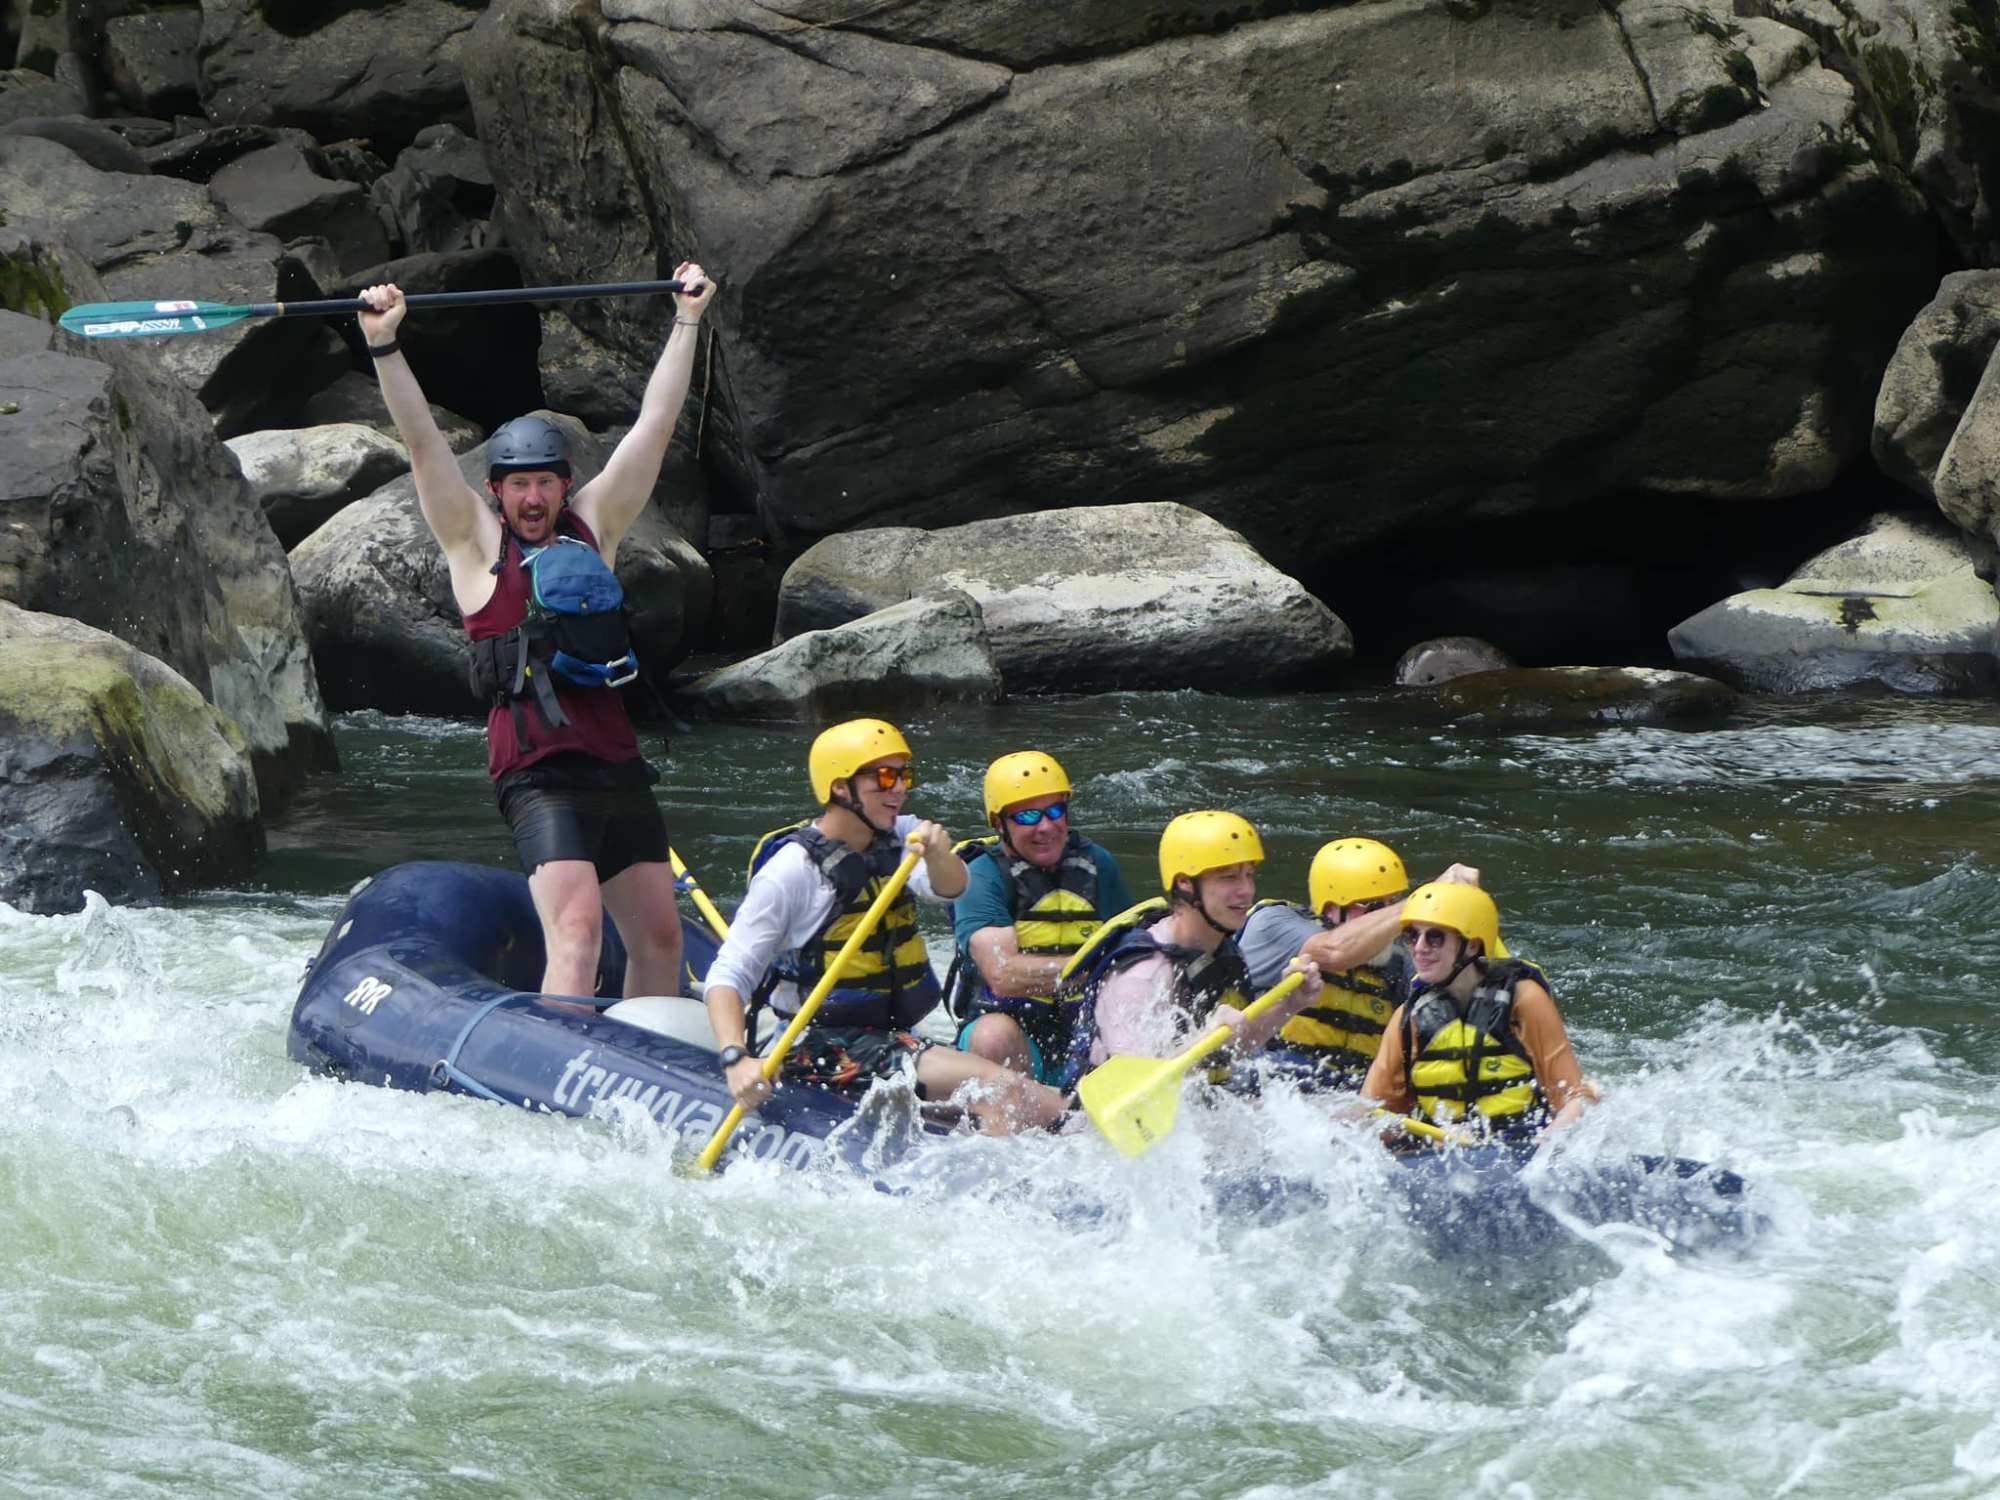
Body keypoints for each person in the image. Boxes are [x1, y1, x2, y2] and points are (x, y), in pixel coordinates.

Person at [355, 266, 715, 1001]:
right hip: (537, 774)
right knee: (578, 930)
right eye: (518, 484)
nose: (533, 496)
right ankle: (565, 1073)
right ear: (497, 491)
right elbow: (424, 447)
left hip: (617, 764)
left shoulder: (595, 526)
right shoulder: (474, 545)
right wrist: (385, 347)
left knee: (661, 935)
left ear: (563, 483)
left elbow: (655, 425)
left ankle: (651, 1062)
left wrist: (687, 321)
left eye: (546, 481)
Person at [702, 719, 1073, 1135]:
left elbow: (950, 887)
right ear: (841, 787)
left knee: (1040, 1105)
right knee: (1002, 1091)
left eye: (904, 774)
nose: (899, 787)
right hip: (819, 1048)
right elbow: (729, 972)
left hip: (890, 1039)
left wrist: (938, 855)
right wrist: (736, 1058)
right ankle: (1002, 1194)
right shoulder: (791, 872)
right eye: (884, 776)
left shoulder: (902, 836)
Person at [1058, 811, 1323, 1080]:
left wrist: (1290, 1004)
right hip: (1100, 1117)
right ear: (1185, 883)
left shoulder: (1221, 950)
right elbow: (1130, 1088)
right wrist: (1201, 1045)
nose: (1247, 890)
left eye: (1249, 875)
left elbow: (1234, 1048)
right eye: (1229, 878)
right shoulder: (1142, 975)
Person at [947, 751, 1137, 1085]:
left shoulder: (1098, 865)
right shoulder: (982, 876)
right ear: (998, 823)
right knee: (993, 1036)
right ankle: (1015, 1126)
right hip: (1013, 1034)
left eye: (1055, 811)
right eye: (1028, 816)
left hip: (1082, 1033)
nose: (1045, 827)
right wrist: (1093, 969)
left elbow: (1132, 952)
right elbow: (1004, 974)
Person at [1359, 882, 1596, 1143]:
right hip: (1441, 1159)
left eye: (1435, 937)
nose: (1419, 947)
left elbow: (1572, 1097)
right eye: (1412, 936)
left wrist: (1551, 1141)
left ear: (1472, 945)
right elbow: (1375, 1117)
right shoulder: (1409, 1019)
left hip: (1521, 1150)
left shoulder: (1524, 1000)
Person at [1236, 838, 1415, 1091]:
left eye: (1393, 903)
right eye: (1376, 907)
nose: (1388, 920)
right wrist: (1420, 901)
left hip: (1350, 1107)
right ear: (1333, 908)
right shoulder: (1273, 925)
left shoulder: (1401, 962)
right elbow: (1334, 951)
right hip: (1271, 1093)